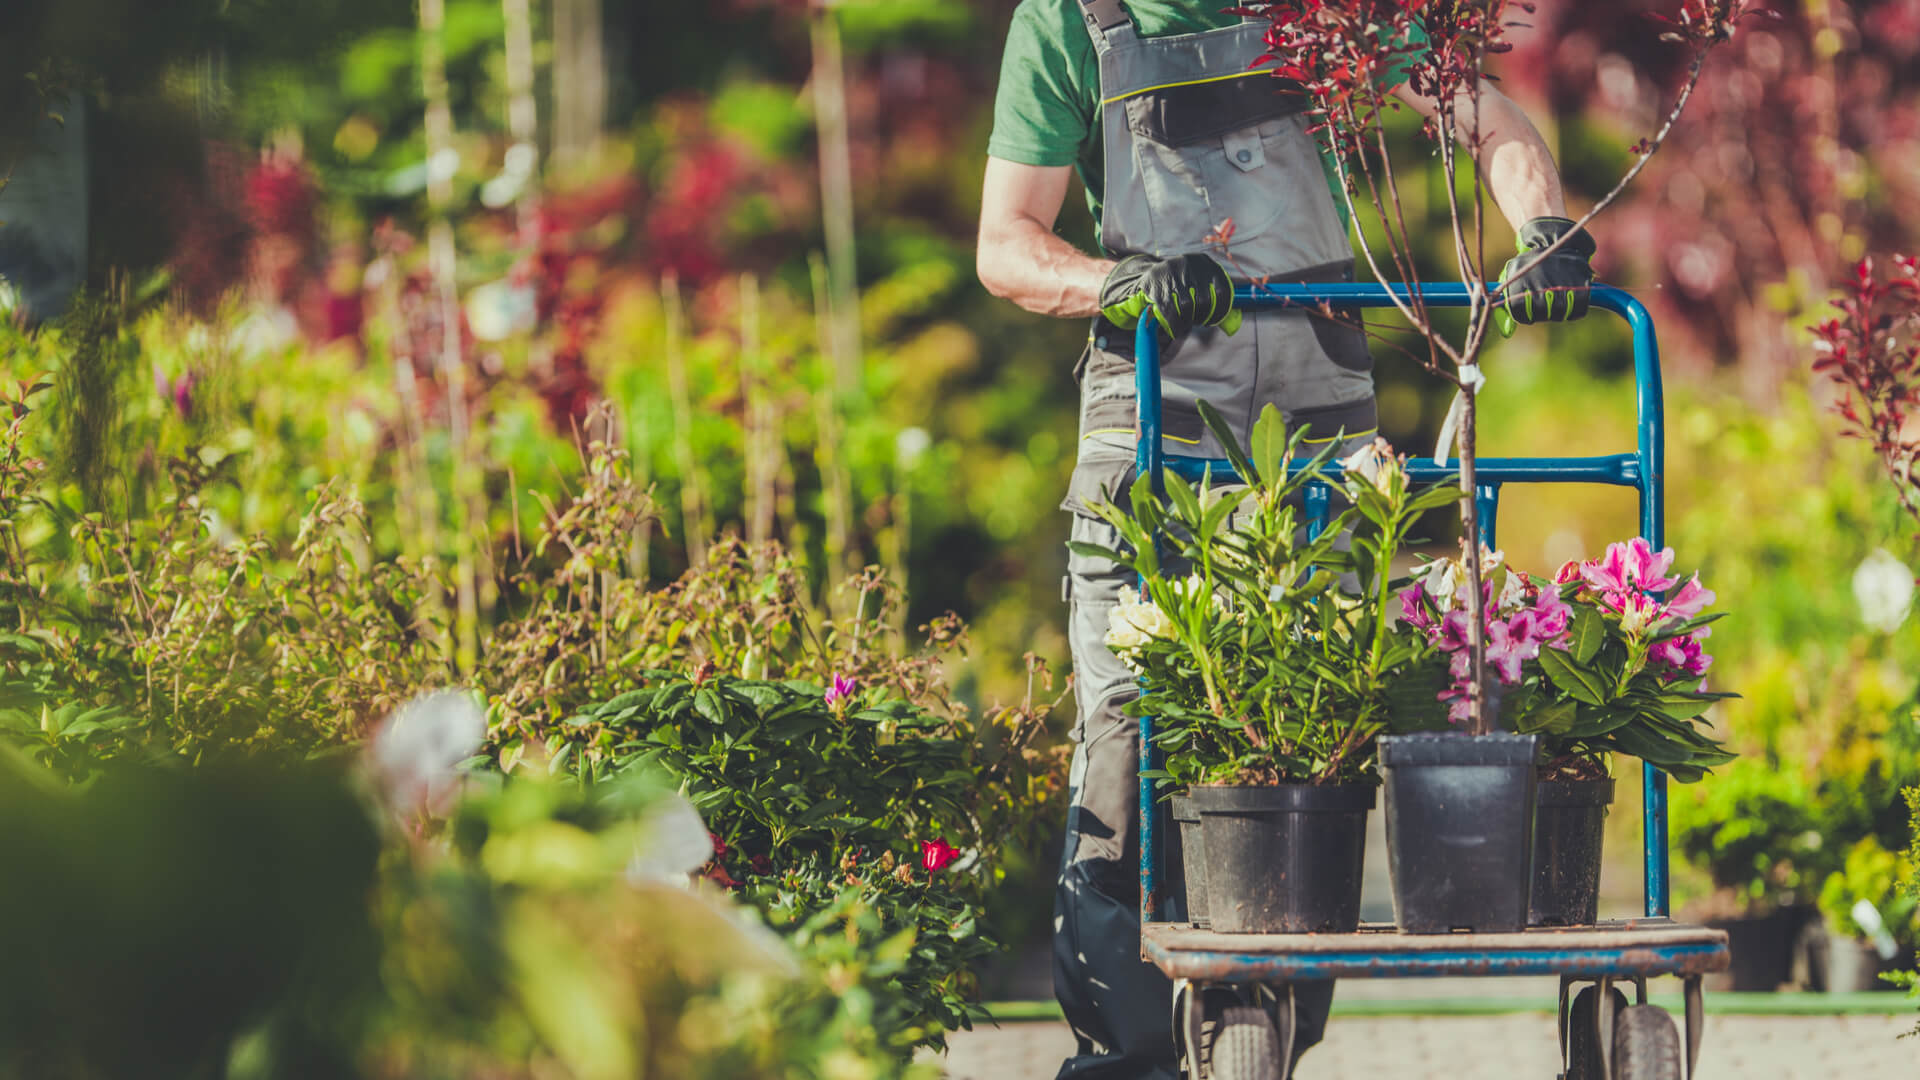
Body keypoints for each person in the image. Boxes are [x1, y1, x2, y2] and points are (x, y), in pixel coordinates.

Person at [974, 2, 1597, 1077]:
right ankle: (1126, 1059)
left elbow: (1489, 118)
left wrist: (1542, 226)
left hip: (1320, 431)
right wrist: (1115, 283)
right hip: (1155, 420)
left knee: (1313, 742)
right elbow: (1005, 245)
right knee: (1128, 740)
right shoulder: (1072, 21)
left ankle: (1269, 1039)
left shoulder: (1328, 10)